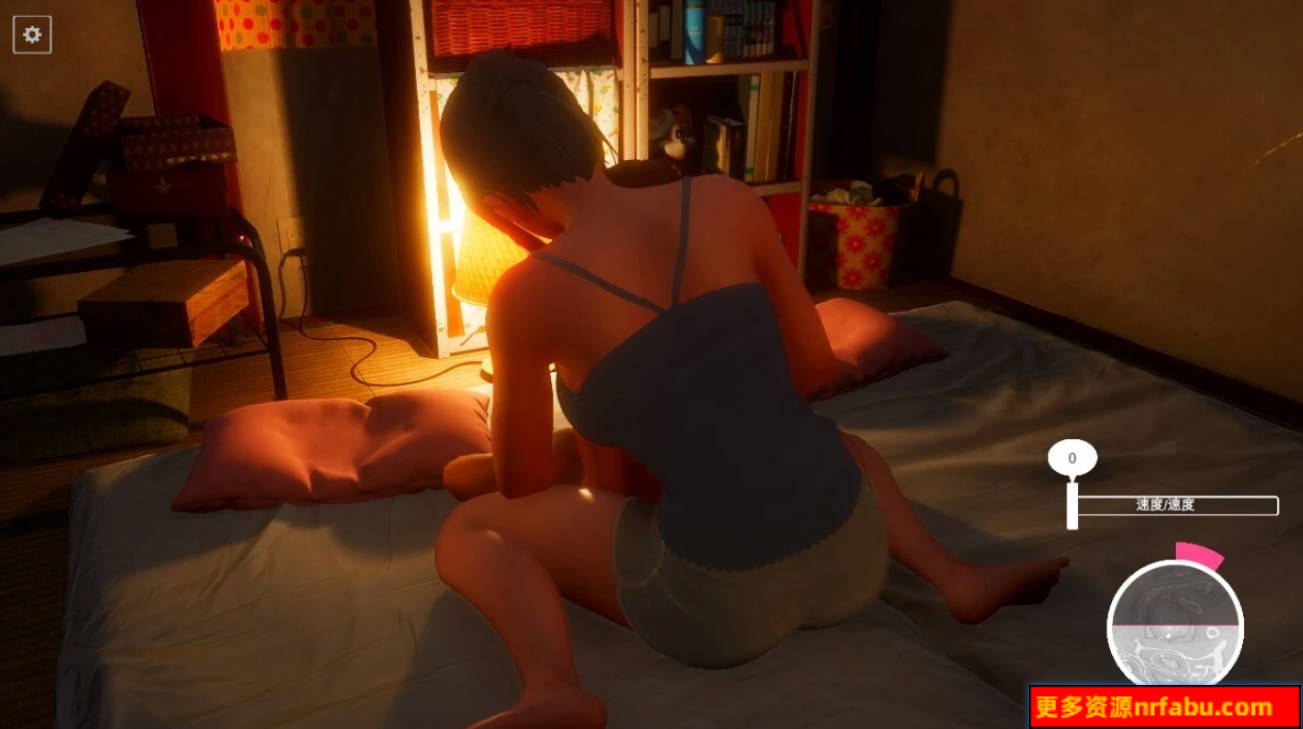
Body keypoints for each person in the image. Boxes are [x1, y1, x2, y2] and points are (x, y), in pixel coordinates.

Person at [436, 50, 1068, 729]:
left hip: (718, 608)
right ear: (584, 126)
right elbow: (813, 370)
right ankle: (954, 577)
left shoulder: (525, 294)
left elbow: (524, 482)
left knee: (470, 526)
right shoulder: (727, 198)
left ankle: (552, 687)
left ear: (495, 205)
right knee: (836, 444)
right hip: (854, 555)